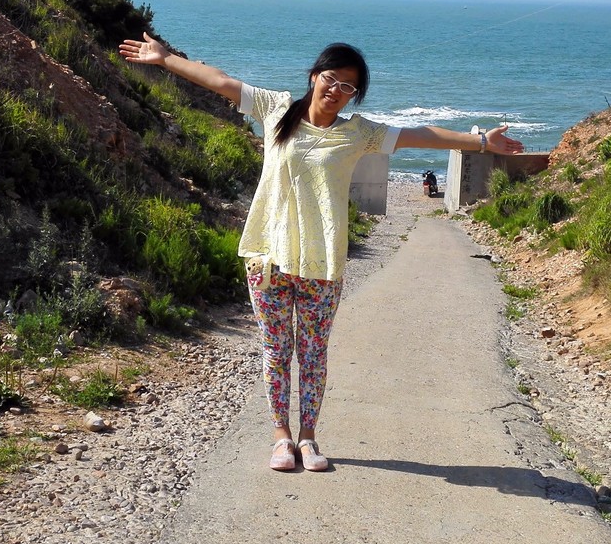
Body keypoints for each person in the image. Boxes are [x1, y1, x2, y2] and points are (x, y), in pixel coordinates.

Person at [118, 33, 523, 472]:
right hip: (268, 256)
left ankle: (308, 438)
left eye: (348, 86)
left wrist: (480, 142)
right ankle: (281, 438)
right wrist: (165, 59)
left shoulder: (359, 133)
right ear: (314, 76)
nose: (336, 90)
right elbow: (220, 81)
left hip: (322, 263)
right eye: (331, 79)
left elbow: (419, 135)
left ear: (354, 95)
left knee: (312, 353)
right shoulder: (276, 110)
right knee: (276, 352)